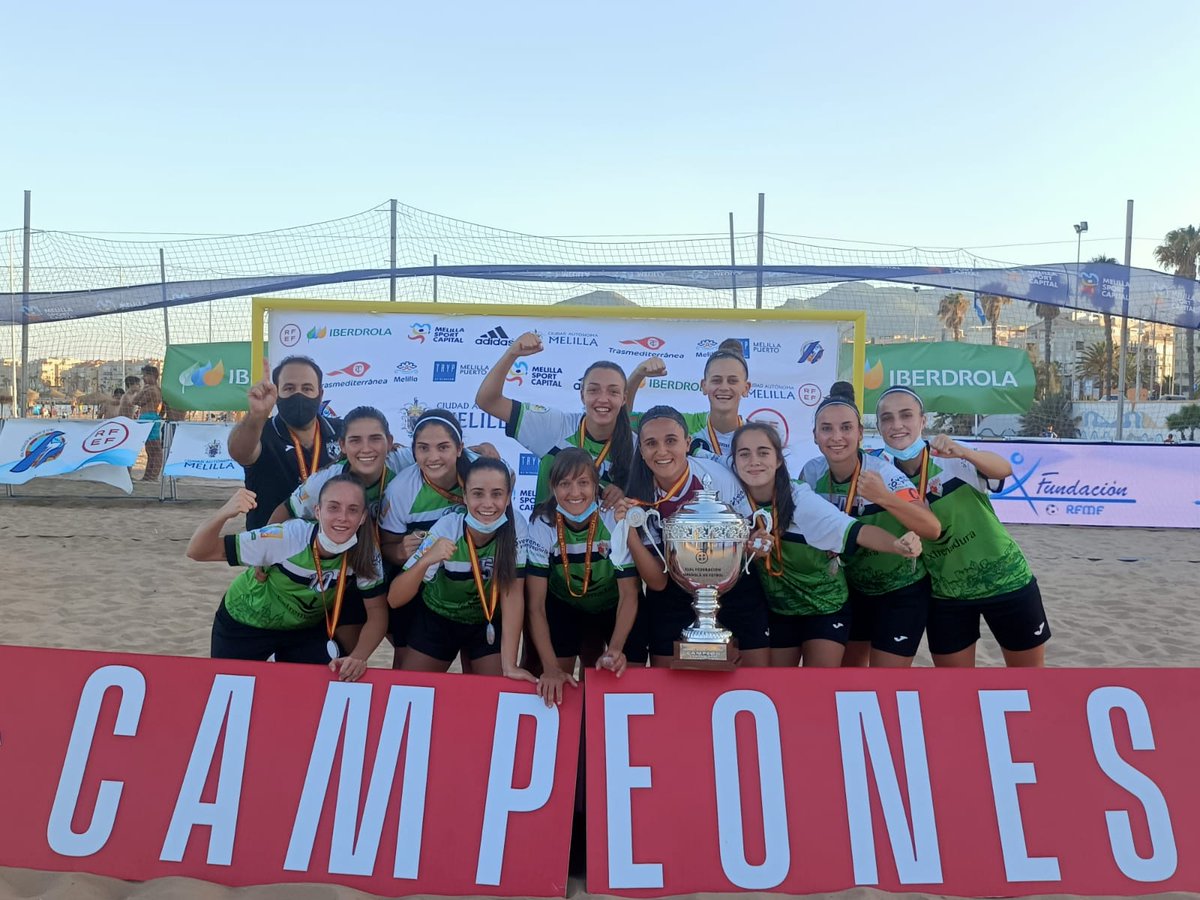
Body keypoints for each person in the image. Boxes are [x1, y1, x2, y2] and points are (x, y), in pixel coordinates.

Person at [874, 386, 1051, 667]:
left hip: (1006, 581)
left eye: (906, 415)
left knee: (1029, 681)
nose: (897, 425)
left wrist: (965, 452)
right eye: (887, 418)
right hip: (947, 594)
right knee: (956, 691)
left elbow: (1004, 470)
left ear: (923, 420)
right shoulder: (880, 472)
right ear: (878, 426)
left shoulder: (950, 456)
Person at [732, 421, 923, 667]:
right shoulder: (733, 498)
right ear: (734, 461)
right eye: (744, 454)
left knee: (819, 688)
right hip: (779, 610)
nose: (754, 461)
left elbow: (857, 531)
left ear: (778, 460)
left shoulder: (800, 499)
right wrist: (746, 550)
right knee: (780, 688)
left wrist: (898, 545)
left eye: (763, 452)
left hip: (825, 606)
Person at [185, 476, 388, 680]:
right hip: (245, 623)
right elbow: (198, 551)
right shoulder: (287, 537)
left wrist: (358, 657)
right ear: (317, 511)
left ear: (363, 517)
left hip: (302, 631)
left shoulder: (366, 551)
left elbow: (377, 611)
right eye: (333, 507)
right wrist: (224, 513)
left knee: (325, 684)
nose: (343, 517)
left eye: (353, 510)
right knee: (230, 688)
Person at [798, 382, 941, 667]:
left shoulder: (882, 472)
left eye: (846, 428)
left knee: (885, 684)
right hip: (851, 590)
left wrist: (884, 498)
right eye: (826, 429)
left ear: (861, 434)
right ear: (814, 435)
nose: (836, 437)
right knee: (851, 680)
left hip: (900, 591)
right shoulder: (812, 472)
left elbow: (931, 527)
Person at [614, 405, 770, 667]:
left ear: (687, 443)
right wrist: (628, 528)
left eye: (671, 441)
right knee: (671, 687)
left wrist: (761, 540)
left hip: (732, 585)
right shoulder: (639, 497)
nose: (661, 451)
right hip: (674, 590)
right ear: (640, 450)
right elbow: (658, 583)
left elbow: (753, 533)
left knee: (756, 679)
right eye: (651, 443)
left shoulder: (717, 477)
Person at [388, 457, 534, 682]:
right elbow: (395, 598)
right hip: (438, 618)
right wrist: (426, 560)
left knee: (496, 692)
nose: (487, 503)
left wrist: (509, 665)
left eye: (496, 494)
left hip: (485, 620)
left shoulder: (517, 527)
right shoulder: (447, 526)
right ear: (465, 496)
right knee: (410, 687)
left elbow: (512, 595)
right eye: (477, 493)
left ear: (508, 498)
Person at [526, 448, 646, 706]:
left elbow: (629, 593)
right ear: (552, 486)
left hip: (614, 604)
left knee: (622, 679)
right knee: (560, 687)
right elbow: (535, 605)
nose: (575, 492)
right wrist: (549, 668)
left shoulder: (612, 517)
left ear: (596, 485)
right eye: (564, 484)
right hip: (565, 604)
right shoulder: (542, 522)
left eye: (583, 483)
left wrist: (615, 650)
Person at [475, 331, 635, 506]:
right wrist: (511, 354)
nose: (603, 399)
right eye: (594, 390)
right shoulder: (556, 426)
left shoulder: (635, 445)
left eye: (613, 391)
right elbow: (488, 401)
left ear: (624, 399)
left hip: (604, 533)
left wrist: (624, 490)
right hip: (547, 531)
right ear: (582, 395)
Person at [228, 356, 341, 530]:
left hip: (329, 548)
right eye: (289, 388)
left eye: (307, 388)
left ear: (320, 394)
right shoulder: (260, 431)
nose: (298, 394)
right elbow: (239, 452)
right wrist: (256, 415)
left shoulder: (342, 432)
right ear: (277, 393)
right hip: (272, 549)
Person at [626, 338, 748, 459]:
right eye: (716, 380)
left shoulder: (757, 435)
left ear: (746, 388)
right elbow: (623, 420)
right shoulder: (683, 424)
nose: (724, 387)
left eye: (733, 381)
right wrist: (638, 375)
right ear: (704, 386)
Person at [132, 364, 165, 481]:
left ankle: (153, 475)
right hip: (150, 418)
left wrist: (142, 390)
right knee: (150, 450)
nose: (143, 379)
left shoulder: (151, 389)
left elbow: (136, 401)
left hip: (149, 418)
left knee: (155, 449)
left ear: (153, 376)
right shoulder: (158, 390)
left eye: (145, 376)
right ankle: (148, 475)